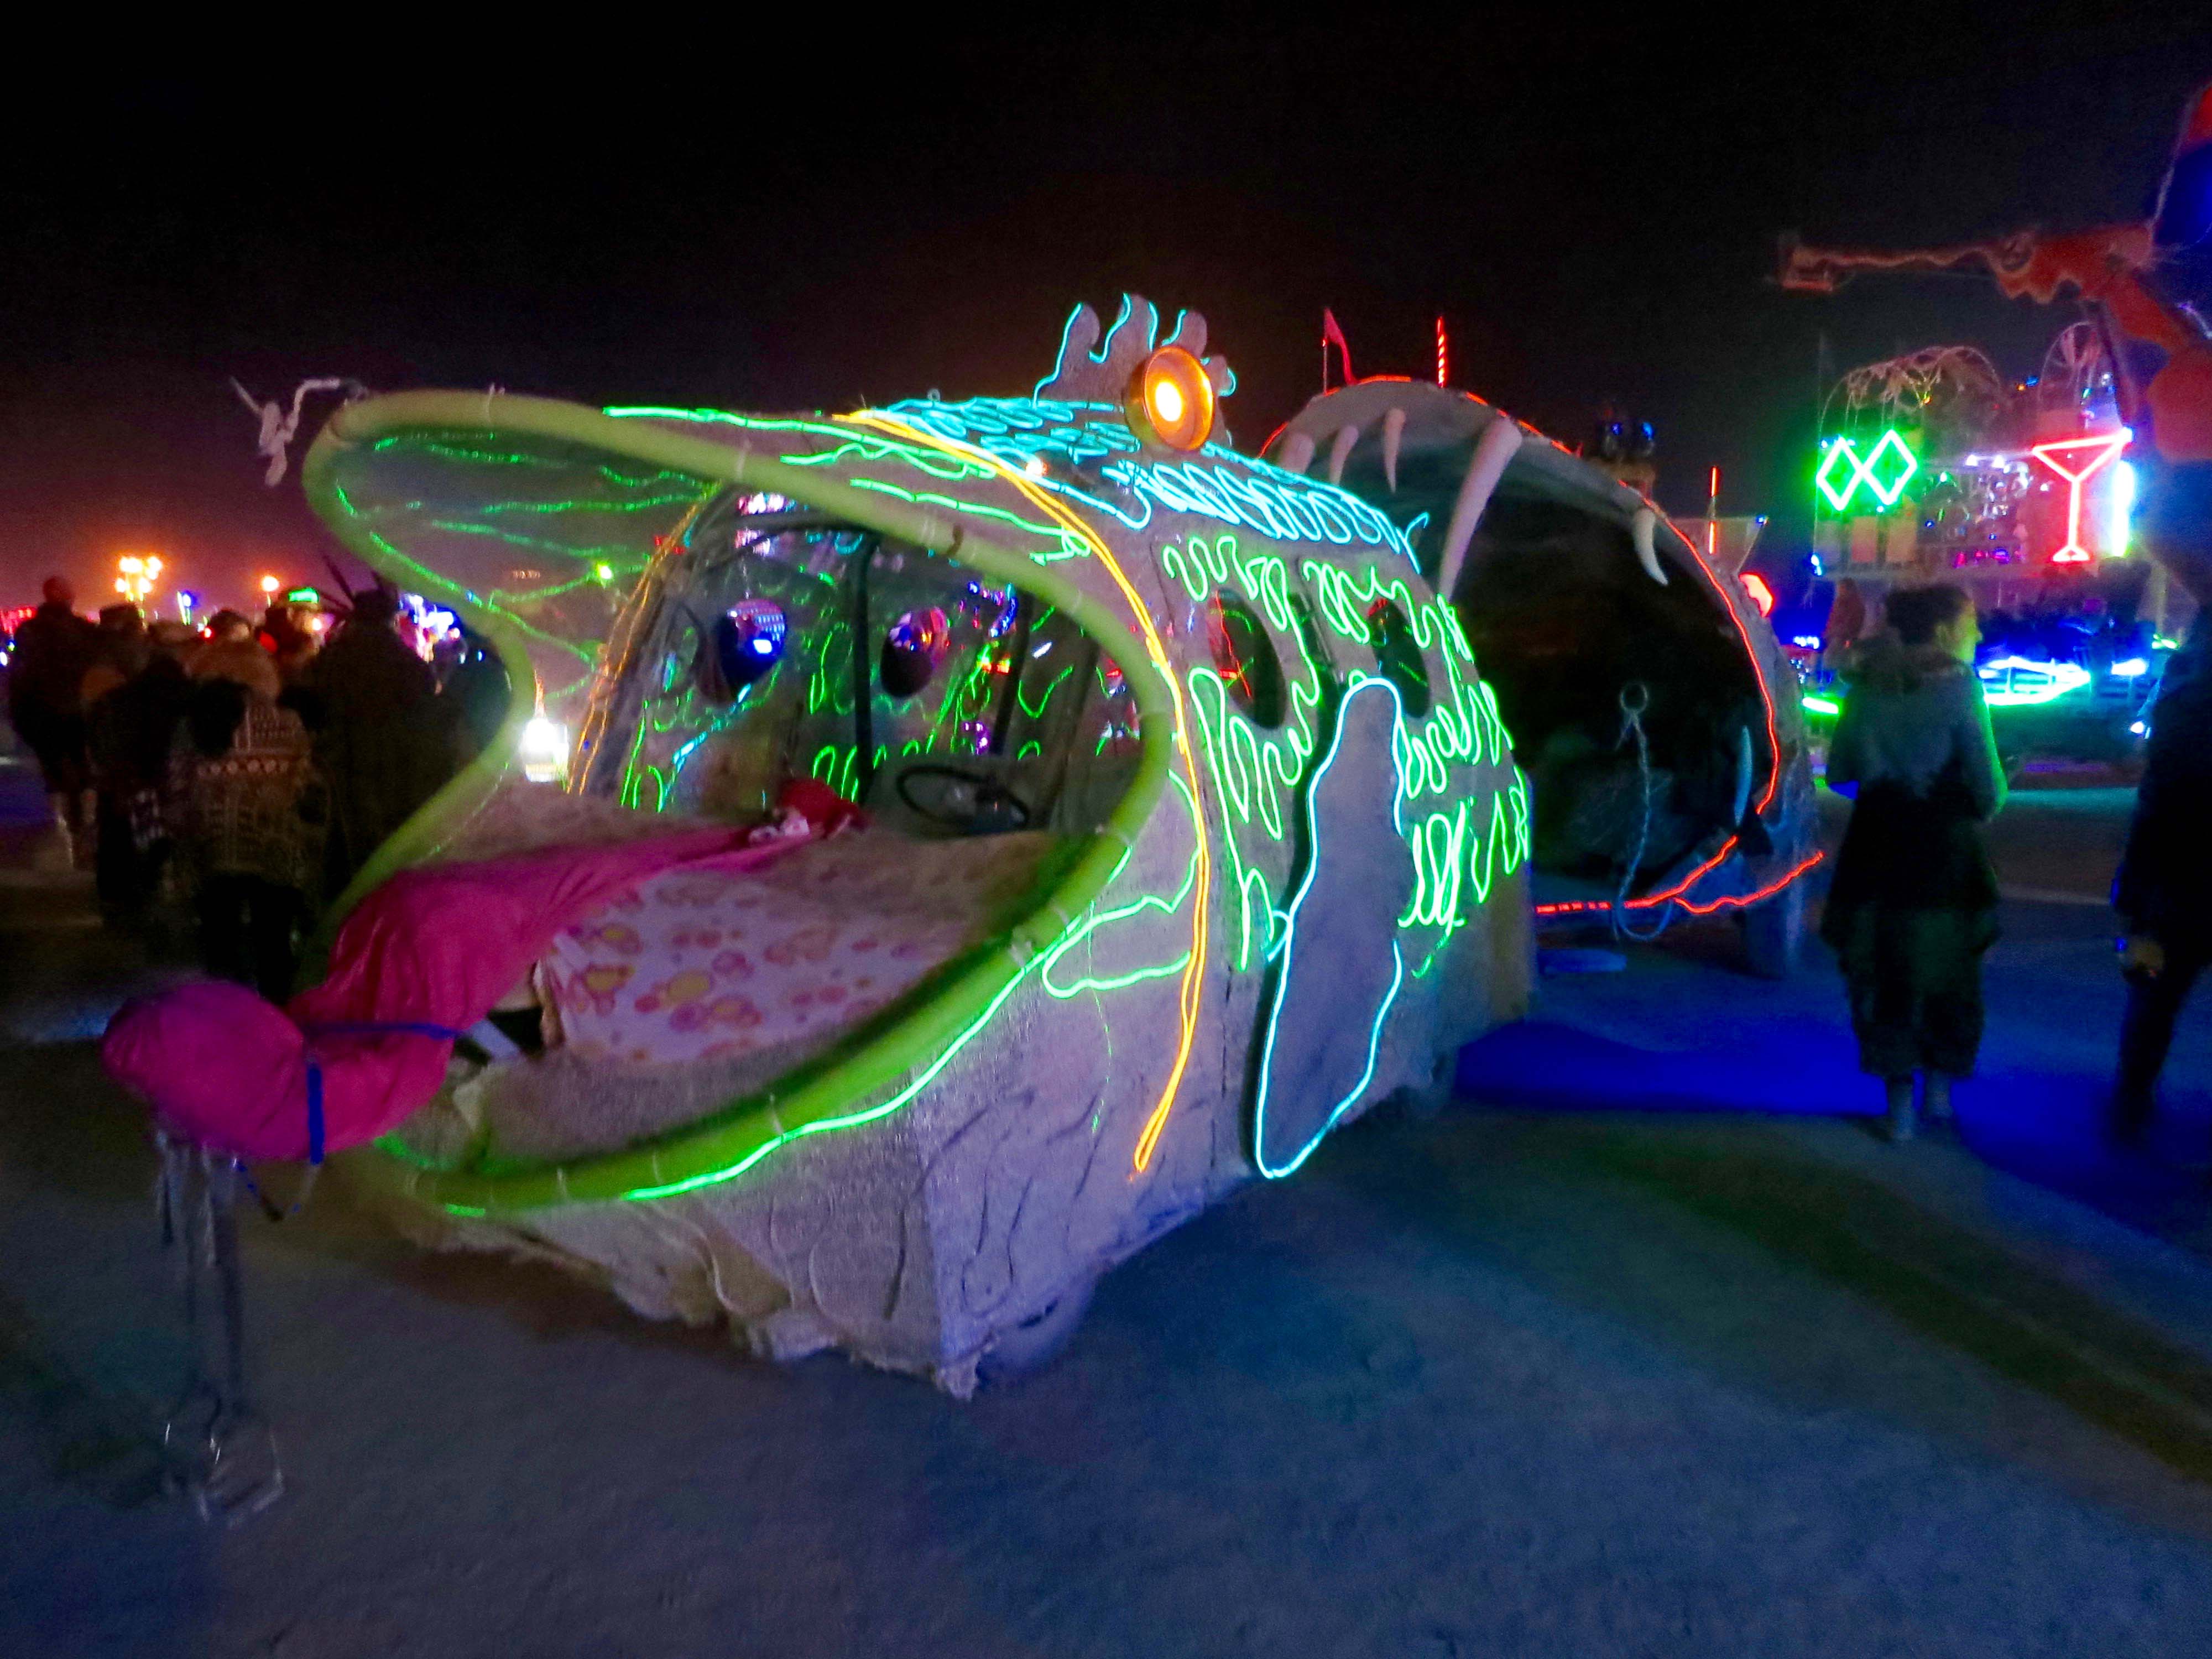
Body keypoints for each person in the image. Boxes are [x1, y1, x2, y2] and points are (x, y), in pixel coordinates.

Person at [1821, 583, 2007, 1141]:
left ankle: (1896, 1108)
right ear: (1947, 629)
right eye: (1971, 621)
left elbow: (1838, 773)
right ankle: (1940, 1096)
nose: (1977, 633)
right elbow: (1989, 791)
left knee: (1882, 973)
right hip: (1941, 857)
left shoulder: (1865, 686)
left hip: (1874, 847)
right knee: (1947, 975)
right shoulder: (1959, 688)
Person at [2109, 622, 2212, 1146]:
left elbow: (2157, 803)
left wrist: (2133, 893)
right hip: (2183, 870)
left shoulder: (2181, 701)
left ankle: (2130, 1104)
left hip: (2178, 874)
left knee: (2157, 997)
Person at [177, 672, 322, 1001]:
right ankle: (277, 1013)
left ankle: (231, 1013)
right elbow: (302, 781)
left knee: (220, 938)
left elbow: (177, 789)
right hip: (273, 843)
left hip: (212, 846)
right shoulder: (286, 722)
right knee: (274, 938)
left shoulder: (192, 726)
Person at [298, 587, 451, 893]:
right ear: (390, 620)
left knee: (346, 843)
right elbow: (426, 709)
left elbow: (311, 706)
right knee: (387, 843)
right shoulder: (405, 662)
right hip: (394, 765)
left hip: (341, 765)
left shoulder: (331, 659)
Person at [6, 577, 100, 856]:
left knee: (53, 772)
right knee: (83, 769)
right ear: (59, 594)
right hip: (77, 711)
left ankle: (59, 829)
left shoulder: (29, 630)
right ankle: (86, 827)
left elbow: (19, 676)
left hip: (41, 713)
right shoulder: (81, 630)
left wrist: (20, 713)